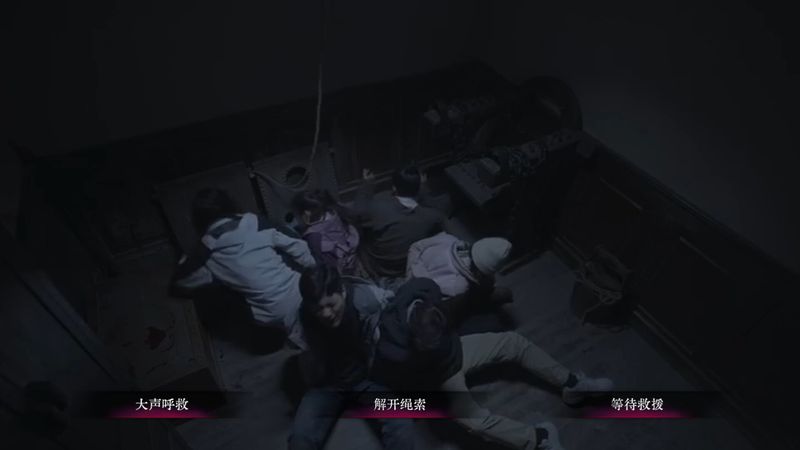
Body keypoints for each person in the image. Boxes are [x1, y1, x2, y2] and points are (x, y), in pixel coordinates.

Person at [371, 278, 614, 450]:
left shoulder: (426, 292)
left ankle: (572, 384)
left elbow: (458, 302)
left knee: (513, 342)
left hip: (458, 350)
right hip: (438, 379)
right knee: (478, 422)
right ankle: (540, 438)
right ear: (412, 339)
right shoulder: (392, 350)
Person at [288, 265, 416, 450]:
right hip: (328, 384)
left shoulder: (366, 300)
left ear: (342, 291)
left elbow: (395, 304)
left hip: (369, 379)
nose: (326, 314)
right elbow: (302, 348)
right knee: (300, 437)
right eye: (318, 309)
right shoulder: (302, 315)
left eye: (331, 305)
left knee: (401, 421)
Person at [172, 188, 316, 348]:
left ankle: (273, 337)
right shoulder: (256, 222)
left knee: (216, 288)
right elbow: (298, 245)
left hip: (271, 313)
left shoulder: (205, 252)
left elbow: (180, 285)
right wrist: (315, 270)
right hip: (301, 291)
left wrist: (186, 260)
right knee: (284, 248)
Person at [354, 166, 451, 286]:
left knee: (361, 231)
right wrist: (423, 188)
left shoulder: (378, 207)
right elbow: (437, 210)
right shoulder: (433, 216)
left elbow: (357, 213)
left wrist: (367, 184)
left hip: (378, 265)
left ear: (394, 187)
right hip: (404, 266)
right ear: (420, 187)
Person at [406, 232, 515, 314]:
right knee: (500, 294)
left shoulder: (448, 238)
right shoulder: (458, 285)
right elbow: (430, 292)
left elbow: (414, 247)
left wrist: (412, 272)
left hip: (411, 277)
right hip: (417, 299)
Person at [292, 189, 360, 275]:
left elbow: (324, 264)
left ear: (306, 214)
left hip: (342, 272)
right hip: (354, 260)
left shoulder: (313, 237)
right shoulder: (333, 213)